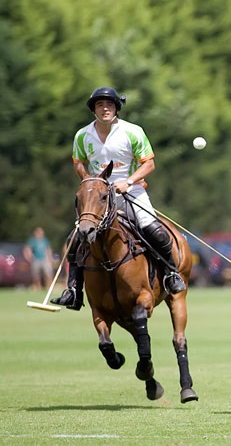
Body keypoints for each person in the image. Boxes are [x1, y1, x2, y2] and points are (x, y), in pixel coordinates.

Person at [51, 86, 186, 310]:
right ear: (93, 109)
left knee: (155, 230)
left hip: (131, 191)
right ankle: (73, 290)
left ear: (116, 108)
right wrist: (89, 182)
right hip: (100, 197)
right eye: (100, 105)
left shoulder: (132, 131)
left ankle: (171, 275)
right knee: (75, 238)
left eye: (109, 104)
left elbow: (149, 163)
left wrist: (129, 182)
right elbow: (78, 163)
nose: (105, 108)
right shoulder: (83, 135)